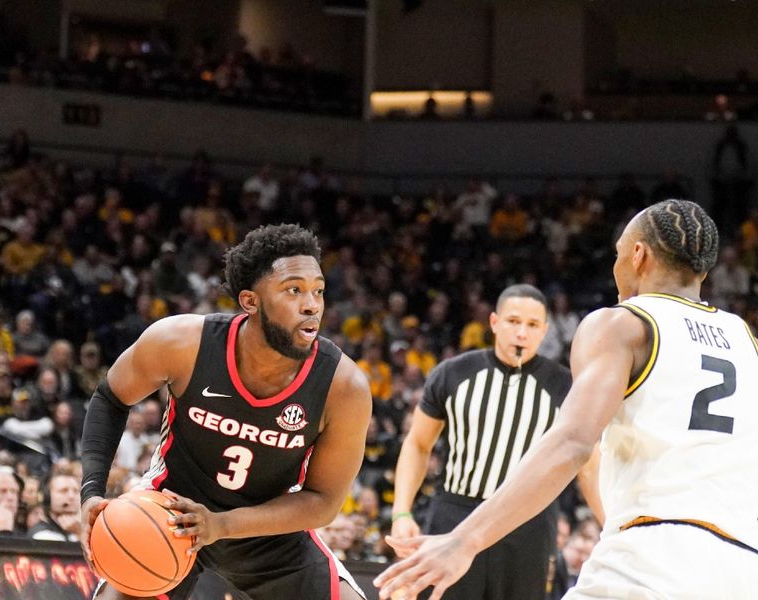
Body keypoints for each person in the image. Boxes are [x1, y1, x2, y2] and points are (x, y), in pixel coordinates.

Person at [375, 199, 758, 600]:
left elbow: (573, 443)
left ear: (638, 255)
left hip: (654, 556)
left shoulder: (621, 324)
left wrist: (464, 540)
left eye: (618, 255)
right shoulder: (744, 338)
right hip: (742, 562)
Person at [81, 224, 372, 600]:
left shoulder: (343, 386)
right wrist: (91, 492)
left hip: (268, 531)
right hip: (171, 513)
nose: (312, 304)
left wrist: (222, 525)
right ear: (250, 301)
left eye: (318, 290)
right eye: (293, 290)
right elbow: (110, 397)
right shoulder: (181, 343)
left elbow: (323, 501)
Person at [389, 284, 601, 600]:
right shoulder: (452, 373)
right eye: (513, 322)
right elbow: (418, 444)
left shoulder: (565, 386)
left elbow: (588, 465)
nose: (521, 333)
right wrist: (401, 512)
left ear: (544, 331)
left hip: (528, 525)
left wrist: (610, 527)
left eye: (531, 326)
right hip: (455, 514)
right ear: (494, 323)